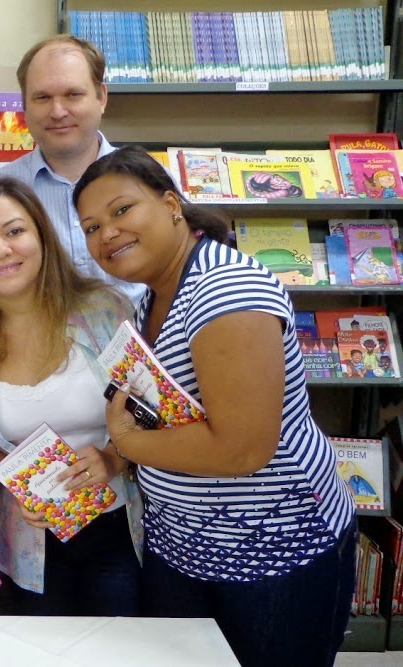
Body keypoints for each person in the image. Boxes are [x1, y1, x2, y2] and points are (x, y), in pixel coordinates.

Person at [73, 146, 356, 666]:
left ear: (171, 204)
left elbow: (243, 448)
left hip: (274, 554)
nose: (106, 233)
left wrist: (131, 444)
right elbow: (172, 417)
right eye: (91, 227)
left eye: (121, 210)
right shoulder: (149, 298)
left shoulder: (226, 288)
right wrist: (118, 456)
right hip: (183, 550)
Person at [0, 175, 142, 616]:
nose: (2, 250)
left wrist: (114, 459)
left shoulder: (106, 312)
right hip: (26, 543)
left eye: (14, 231)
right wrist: (17, 476)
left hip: (119, 532)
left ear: (42, 237)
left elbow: (154, 413)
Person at [0, 35, 143, 304]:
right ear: (24, 106)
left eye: (73, 94)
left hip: (148, 343)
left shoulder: (149, 181)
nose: (58, 111)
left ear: (102, 97)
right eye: (42, 97)